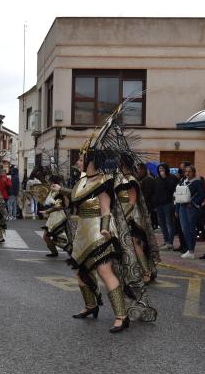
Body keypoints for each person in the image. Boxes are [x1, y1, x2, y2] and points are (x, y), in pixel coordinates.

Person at [57, 106, 157, 333]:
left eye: (81, 159)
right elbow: (76, 199)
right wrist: (59, 189)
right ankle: (90, 305)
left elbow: (105, 208)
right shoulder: (82, 181)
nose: (78, 162)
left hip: (99, 233)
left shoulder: (103, 181)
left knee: (104, 271)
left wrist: (104, 229)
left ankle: (122, 316)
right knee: (81, 273)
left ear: (90, 160)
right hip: (82, 231)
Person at [116, 155, 159, 283]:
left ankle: (147, 272)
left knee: (135, 243)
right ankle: (135, 271)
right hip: (125, 217)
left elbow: (132, 202)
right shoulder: (124, 179)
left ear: (123, 165)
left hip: (132, 219)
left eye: (120, 164)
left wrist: (124, 218)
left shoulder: (131, 180)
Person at [176, 165, 205, 259]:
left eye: (189, 172)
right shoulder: (182, 181)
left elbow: (203, 194)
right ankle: (189, 250)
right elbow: (178, 194)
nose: (187, 173)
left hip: (190, 208)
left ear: (194, 172)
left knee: (190, 229)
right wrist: (177, 209)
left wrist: (193, 203)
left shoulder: (197, 182)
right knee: (184, 229)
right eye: (186, 172)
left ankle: (191, 250)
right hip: (182, 207)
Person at [39, 174, 72, 257]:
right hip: (53, 217)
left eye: (50, 182)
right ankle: (54, 252)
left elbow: (59, 205)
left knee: (58, 237)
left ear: (53, 182)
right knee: (47, 236)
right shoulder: (51, 191)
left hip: (59, 217)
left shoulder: (58, 191)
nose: (49, 183)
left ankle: (71, 251)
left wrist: (47, 211)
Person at [154, 163, 178, 250]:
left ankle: (170, 243)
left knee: (169, 223)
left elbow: (171, 188)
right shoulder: (157, 179)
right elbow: (156, 192)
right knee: (162, 224)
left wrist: (164, 179)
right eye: (159, 169)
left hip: (168, 203)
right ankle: (166, 241)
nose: (161, 170)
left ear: (166, 169)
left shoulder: (172, 178)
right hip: (159, 205)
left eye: (162, 169)